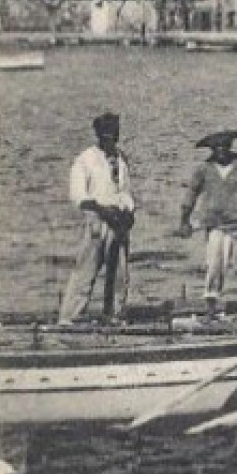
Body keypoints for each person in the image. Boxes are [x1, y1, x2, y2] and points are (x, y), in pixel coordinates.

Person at [176, 130, 237, 322]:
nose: (222, 150)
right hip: (217, 227)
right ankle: (211, 305)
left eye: (225, 146)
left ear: (230, 146)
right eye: (217, 147)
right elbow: (190, 196)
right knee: (215, 265)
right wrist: (184, 221)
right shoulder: (203, 169)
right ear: (211, 149)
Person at [58, 113, 136, 324]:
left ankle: (115, 315)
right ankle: (71, 317)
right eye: (106, 132)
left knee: (120, 273)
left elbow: (125, 191)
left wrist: (128, 212)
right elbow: (79, 196)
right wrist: (103, 211)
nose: (111, 136)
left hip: (118, 221)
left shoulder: (121, 158)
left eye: (115, 132)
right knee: (87, 269)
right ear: (98, 133)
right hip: (97, 219)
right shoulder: (85, 159)